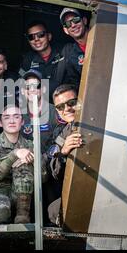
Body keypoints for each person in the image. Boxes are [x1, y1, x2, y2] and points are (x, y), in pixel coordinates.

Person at [0, 105, 47, 224]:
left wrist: (32, 161)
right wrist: (15, 153)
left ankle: (22, 216)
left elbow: (43, 178)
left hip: (23, 197)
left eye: (16, 117)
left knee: (24, 161)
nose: (11, 121)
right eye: (6, 118)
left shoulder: (30, 145)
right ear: (0, 123)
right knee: (0, 216)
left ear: (22, 122)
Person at [46, 84, 83, 226]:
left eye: (71, 103)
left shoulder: (94, 122)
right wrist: (63, 152)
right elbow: (54, 169)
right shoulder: (63, 132)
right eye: (60, 107)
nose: (66, 109)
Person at [19, 20, 67, 98]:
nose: (36, 39)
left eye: (40, 35)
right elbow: (21, 85)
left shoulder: (64, 51)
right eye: (31, 37)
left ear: (49, 36)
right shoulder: (27, 60)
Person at [20, 69, 60, 153]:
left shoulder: (57, 111)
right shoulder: (17, 115)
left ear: (44, 89)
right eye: (27, 86)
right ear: (23, 91)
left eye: (36, 86)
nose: (32, 89)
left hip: (51, 162)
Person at [59, 8, 90, 91]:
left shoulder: (101, 37)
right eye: (68, 24)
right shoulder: (71, 57)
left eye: (76, 20)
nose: (73, 25)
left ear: (84, 20)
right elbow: (77, 86)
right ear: (66, 30)